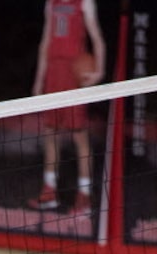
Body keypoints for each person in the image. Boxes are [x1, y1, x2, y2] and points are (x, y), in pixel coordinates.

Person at [27, 0, 106, 217]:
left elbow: (97, 40)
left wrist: (99, 71)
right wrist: (39, 80)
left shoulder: (85, 3)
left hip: (74, 74)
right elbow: (45, 42)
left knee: (79, 136)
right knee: (50, 133)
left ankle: (84, 195)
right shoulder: (51, 3)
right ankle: (49, 190)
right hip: (54, 72)